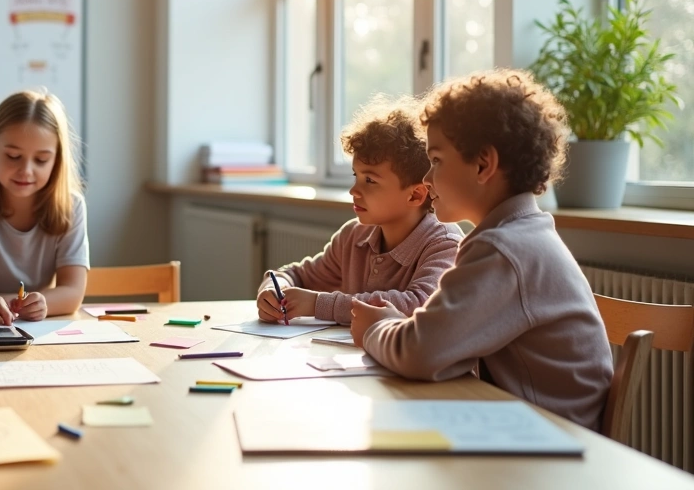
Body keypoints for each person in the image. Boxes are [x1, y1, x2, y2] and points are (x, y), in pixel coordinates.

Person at [351, 70, 613, 431]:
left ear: (483, 164)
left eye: (437, 161)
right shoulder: (520, 233)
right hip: (530, 425)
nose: (427, 179)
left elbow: (420, 353)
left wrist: (376, 328)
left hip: (547, 441)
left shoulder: (503, 249)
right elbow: (444, 344)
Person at [255, 96, 462, 325]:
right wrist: (274, 288)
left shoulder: (445, 244)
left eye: (370, 180)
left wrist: (317, 304)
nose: (354, 190)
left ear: (415, 195)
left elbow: (418, 304)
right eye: (356, 176)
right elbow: (295, 275)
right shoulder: (353, 236)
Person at [0, 91, 89, 326]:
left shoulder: (71, 206)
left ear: (57, 159)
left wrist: (43, 303)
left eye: (41, 160)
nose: (26, 170)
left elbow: (72, 292)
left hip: (39, 330)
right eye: (13, 156)